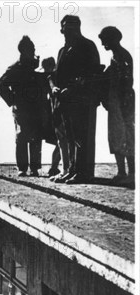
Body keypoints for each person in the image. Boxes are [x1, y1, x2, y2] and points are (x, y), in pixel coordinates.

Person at [49, 15, 102, 184]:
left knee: (82, 138)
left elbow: (93, 74)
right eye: (65, 28)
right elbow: (55, 75)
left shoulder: (88, 46)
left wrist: (71, 89)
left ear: (78, 27)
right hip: (65, 102)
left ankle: (83, 173)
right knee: (70, 137)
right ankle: (71, 170)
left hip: (82, 100)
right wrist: (54, 87)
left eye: (71, 28)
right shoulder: (62, 51)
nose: (66, 31)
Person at [0, 35, 44, 177]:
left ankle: (35, 168)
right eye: (31, 49)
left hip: (35, 107)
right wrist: (13, 100)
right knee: (22, 136)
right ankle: (23, 168)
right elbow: (1, 85)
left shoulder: (35, 67)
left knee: (36, 136)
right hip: (22, 109)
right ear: (23, 51)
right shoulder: (14, 68)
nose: (33, 52)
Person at [98, 26, 135, 186]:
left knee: (127, 136)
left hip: (123, 101)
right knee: (115, 137)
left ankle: (132, 173)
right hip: (115, 101)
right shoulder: (115, 56)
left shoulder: (122, 56)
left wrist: (123, 100)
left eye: (104, 40)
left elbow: (127, 81)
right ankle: (121, 171)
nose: (102, 44)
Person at [39, 57, 64, 177]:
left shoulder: (48, 77)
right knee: (61, 141)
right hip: (56, 113)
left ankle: (55, 167)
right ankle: (54, 167)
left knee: (60, 142)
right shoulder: (52, 77)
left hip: (53, 113)